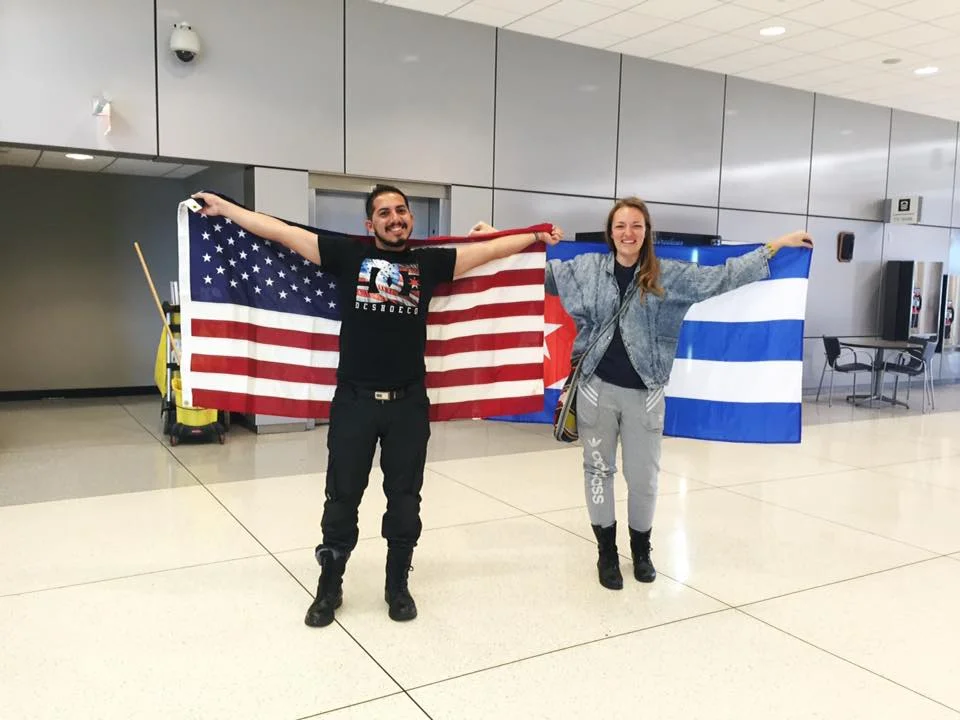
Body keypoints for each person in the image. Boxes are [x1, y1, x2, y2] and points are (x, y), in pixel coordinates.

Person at [192, 185, 563, 626]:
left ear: (410, 218)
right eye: (384, 213)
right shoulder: (349, 256)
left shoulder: (429, 264)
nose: (395, 218)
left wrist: (534, 236)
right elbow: (283, 233)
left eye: (401, 211)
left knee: (405, 500)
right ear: (371, 224)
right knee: (341, 498)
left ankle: (396, 584)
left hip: (408, 405)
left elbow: (487, 255)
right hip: (355, 403)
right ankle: (330, 586)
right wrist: (226, 208)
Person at [543, 197, 813, 590]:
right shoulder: (586, 270)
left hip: (646, 394)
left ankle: (640, 550)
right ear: (610, 232)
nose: (628, 233)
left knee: (645, 479)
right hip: (596, 391)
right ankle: (605, 553)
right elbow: (539, 273)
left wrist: (775, 246)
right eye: (620, 225)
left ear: (647, 232)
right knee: (597, 472)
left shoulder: (666, 275)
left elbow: (723, 276)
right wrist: (503, 241)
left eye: (636, 225)